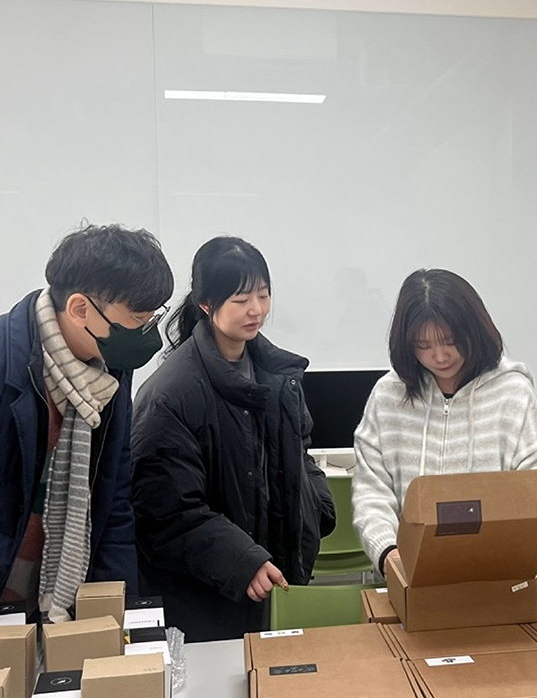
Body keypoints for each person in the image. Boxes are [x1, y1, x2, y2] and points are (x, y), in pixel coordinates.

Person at [130, 236, 336, 642]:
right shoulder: (171, 394)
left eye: (263, 295)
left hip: (277, 580)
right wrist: (241, 561)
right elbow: (167, 511)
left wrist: (317, 508)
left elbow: (301, 451)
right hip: (204, 597)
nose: (256, 309)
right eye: (241, 299)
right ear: (207, 304)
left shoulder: (278, 375)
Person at [0, 224, 174, 622]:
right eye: (137, 319)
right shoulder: (8, 361)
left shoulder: (110, 371)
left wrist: (117, 612)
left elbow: (113, 500)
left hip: (60, 592)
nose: (147, 333)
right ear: (80, 309)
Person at [352, 268, 537, 576]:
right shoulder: (388, 397)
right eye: (423, 345)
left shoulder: (513, 393)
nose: (439, 356)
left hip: (498, 572)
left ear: (473, 329)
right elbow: (371, 491)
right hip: (407, 572)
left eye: (450, 341)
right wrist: (387, 551)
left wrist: (504, 550)